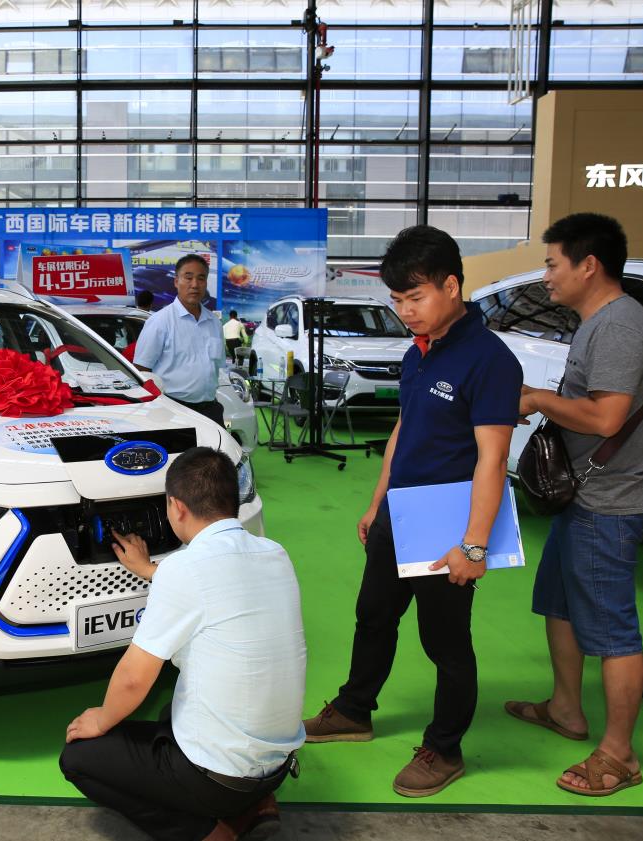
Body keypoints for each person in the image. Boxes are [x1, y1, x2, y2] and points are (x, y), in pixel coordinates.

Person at [301, 225, 522, 798]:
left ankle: (445, 749)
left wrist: (474, 544)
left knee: (445, 643)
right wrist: (377, 503)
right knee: (373, 615)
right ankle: (355, 710)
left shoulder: (490, 361)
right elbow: (405, 428)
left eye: (415, 297)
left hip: (448, 523)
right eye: (397, 300)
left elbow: (493, 458)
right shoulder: (415, 353)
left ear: (451, 286)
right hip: (399, 514)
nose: (405, 311)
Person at [60, 447, 306, 841]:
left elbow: (133, 679)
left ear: (176, 507)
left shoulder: (183, 569)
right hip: (276, 766)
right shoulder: (275, 553)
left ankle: (204, 832)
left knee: (78, 758)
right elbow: (221, 586)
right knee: (170, 712)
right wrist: (150, 570)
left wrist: (101, 718)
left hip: (218, 781)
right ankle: (258, 804)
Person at [508, 213, 643, 796]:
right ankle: (566, 709)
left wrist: (536, 398)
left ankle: (619, 754)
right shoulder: (598, 323)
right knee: (558, 603)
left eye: (552, 264)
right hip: (585, 495)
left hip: (609, 501)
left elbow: (606, 417)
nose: (546, 276)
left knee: (612, 629)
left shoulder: (619, 327)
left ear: (588, 265)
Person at [133, 256, 226, 425]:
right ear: (176, 281)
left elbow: (216, 367)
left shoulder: (214, 323)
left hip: (210, 410)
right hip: (173, 410)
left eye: (201, 278)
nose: (195, 285)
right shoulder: (160, 321)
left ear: (206, 283)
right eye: (188, 278)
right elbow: (141, 370)